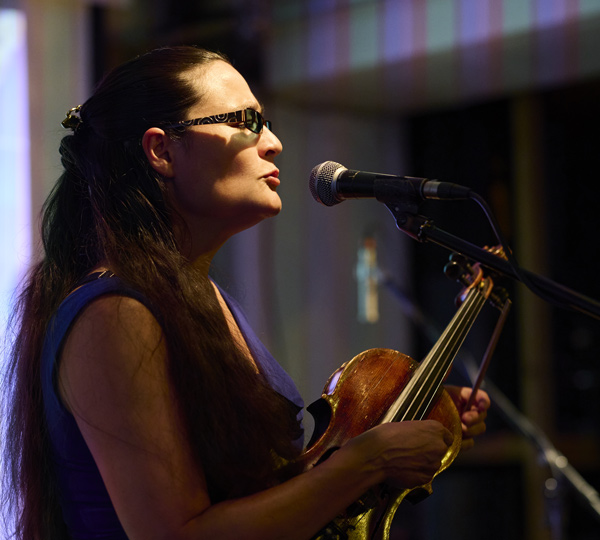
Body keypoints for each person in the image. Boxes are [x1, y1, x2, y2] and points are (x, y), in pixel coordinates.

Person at [1, 45, 490, 540]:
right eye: (247, 121)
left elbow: (259, 494)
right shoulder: (115, 313)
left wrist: (403, 418)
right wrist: (366, 461)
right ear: (162, 151)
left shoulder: (196, 296)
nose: (273, 143)